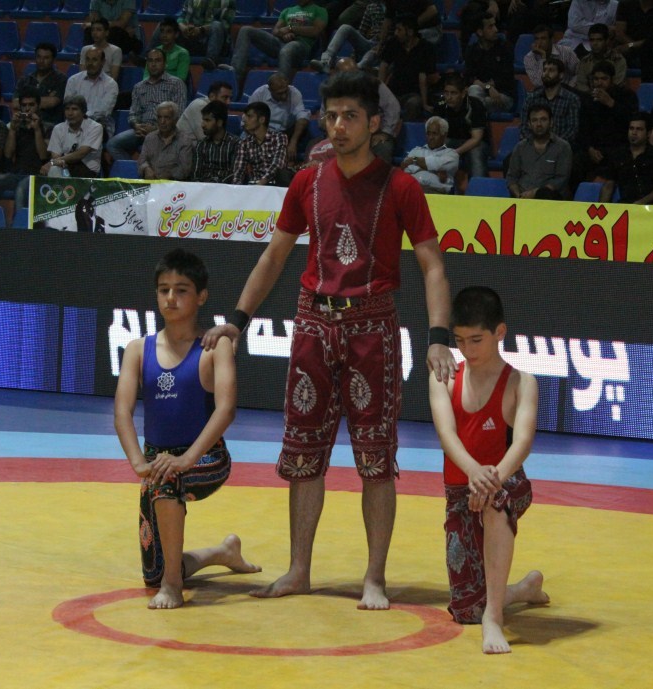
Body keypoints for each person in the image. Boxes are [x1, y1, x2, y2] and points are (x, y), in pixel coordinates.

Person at [201, 70, 455, 610]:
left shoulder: (401, 187)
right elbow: (275, 256)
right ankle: (299, 570)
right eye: (331, 116)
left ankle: (375, 577)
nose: (338, 126)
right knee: (302, 453)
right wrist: (237, 321)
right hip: (313, 324)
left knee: (376, 458)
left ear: (375, 123)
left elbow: (433, 265)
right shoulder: (306, 183)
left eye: (350, 117)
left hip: (372, 327)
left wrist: (438, 337)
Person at [114, 248, 261, 610]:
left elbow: (226, 410)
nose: (170, 298)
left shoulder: (214, 347)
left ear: (201, 297)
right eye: (163, 290)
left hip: (207, 458)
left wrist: (187, 459)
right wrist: (138, 462)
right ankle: (221, 553)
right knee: (153, 572)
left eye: (181, 290)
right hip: (157, 462)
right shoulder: (138, 349)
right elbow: (122, 411)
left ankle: (173, 586)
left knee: (168, 479)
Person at [428, 286, 549, 654]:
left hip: (507, 481)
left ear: (500, 332)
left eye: (476, 340)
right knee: (466, 609)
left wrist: (490, 479)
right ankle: (520, 590)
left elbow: (522, 442)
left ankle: (493, 618)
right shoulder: (444, 378)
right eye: (459, 341)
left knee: (497, 502)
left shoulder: (521, 383)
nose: (467, 350)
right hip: (462, 491)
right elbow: (447, 435)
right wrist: (473, 473)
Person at [106, 49, 187, 162]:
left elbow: (179, 114)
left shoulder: (176, 84)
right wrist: (136, 125)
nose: (153, 64)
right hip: (142, 130)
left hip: (165, 131)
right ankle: (134, 170)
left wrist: (157, 128)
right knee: (112, 144)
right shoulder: (139, 87)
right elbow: (133, 113)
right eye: (150, 61)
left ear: (165, 64)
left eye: (157, 61)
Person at [0, 91, 49, 209]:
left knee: (21, 190)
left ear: (38, 106)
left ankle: (21, 221)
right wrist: (13, 130)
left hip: (38, 175)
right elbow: (8, 154)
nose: (27, 108)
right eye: (24, 105)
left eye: (31, 105)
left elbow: (43, 156)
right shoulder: (15, 127)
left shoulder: (48, 127)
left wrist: (37, 130)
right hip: (17, 174)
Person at [225, 0, 328, 84]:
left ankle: (281, 86)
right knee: (246, 30)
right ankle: (234, 75)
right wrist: (283, 35)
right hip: (281, 43)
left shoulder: (320, 11)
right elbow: (275, 31)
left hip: (301, 46)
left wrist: (291, 28)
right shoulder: (287, 10)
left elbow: (315, 31)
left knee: (286, 50)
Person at [327, 57, 400, 164]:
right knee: (315, 145)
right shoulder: (331, 90)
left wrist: (385, 132)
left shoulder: (373, 84)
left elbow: (393, 107)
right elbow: (323, 117)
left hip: (372, 134)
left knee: (383, 147)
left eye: (354, 73)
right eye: (346, 75)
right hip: (341, 133)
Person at [601, 111, 653, 204]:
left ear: (648, 133)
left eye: (639, 129)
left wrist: (640, 203)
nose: (634, 133)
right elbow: (608, 186)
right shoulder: (618, 155)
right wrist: (601, 209)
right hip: (627, 205)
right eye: (631, 128)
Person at [507, 103, 573, 200]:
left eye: (543, 119)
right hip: (522, 199)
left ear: (551, 122)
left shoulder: (563, 147)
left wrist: (536, 193)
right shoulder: (520, 147)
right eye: (534, 120)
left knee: (546, 195)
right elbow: (512, 177)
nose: (539, 124)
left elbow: (561, 179)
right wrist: (519, 196)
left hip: (551, 199)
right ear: (529, 124)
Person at [377, 13, 436, 121]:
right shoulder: (393, 43)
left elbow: (422, 77)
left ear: (410, 32)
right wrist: (380, 90)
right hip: (393, 91)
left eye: (399, 30)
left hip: (413, 93)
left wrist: (424, 103)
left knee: (414, 104)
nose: (396, 33)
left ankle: (406, 129)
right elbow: (384, 66)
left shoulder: (426, 48)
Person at [434, 73, 490, 180]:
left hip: (475, 143)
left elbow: (476, 138)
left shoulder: (475, 105)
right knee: (436, 148)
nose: (449, 97)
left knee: (476, 152)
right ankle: (437, 185)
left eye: (453, 93)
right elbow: (436, 133)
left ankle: (478, 187)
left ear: (463, 93)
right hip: (452, 141)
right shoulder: (440, 105)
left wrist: (454, 152)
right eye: (446, 92)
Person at [248, 73, 311, 166]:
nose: (284, 96)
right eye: (279, 93)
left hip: (286, 133)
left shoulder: (294, 93)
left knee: (304, 125)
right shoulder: (259, 94)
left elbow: (302, 116)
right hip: (263, 132)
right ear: (270, 90)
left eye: (285, 91)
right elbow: (248, 122)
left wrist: (293, 142)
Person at [463, 12, 517, 116]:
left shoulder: (505, 48)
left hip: (503, 95)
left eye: (495, 25)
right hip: (482, 92)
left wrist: (483, 84)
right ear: (480, 32)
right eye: (490, 27)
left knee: (476, 103)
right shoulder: (472, 50)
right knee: (473, 90)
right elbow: (468, 78)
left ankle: (471, 119)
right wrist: (488, 87)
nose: (496, 30)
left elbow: (506, 79)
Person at [310, 0, 386, 73]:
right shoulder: (372, 7)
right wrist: (354, 54)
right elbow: (362, 31)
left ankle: (356, 69)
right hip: (371, 43)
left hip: (385, 48)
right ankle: (326, 62)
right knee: (345, 27)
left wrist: (381, 45)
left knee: (370, 54)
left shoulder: (392, 11)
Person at [520, 57, 581, 146]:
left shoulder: (571, 99)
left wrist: (552, 146)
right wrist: (536, 144)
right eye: (544, 70)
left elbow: (572, 130)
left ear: (561, 75)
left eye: (551, 70)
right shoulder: (532, 98)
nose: (546, 74)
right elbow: (524, 126)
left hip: (560, 148)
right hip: (533, 146)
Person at [42, 94, 105, 178]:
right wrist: (56, 162)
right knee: (54, 169)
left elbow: (81, 153)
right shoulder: (58, 128)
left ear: (83, 111)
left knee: (54, 167)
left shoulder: (95, 127)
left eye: (74, 109)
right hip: (65, 168)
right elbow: (55, 155)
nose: (70, 113)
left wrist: (53, 162)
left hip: (88, 173)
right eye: (67, 109)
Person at [229, 101, 291, 186]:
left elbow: (278, 164)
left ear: (262, 119)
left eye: (249, 116)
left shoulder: (279, 138)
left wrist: (261, 183)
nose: (245, 120)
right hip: (253, 186)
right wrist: (236, 188)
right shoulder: (244, 143)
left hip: (274, 186)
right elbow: (238, 171)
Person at [64, 47, 119, 138]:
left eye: (94, 60)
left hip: (99, 126)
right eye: (88, 59)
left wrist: (79, 116)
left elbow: (102, 113)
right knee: (56, 131)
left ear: (103, 62)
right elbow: (67, 105)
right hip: (73, 123)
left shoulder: (111, 84)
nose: (90, 63)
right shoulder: (73, 80)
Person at [401, 115, 459, 194]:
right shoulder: (416, 151)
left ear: (444, 135)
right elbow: (405, 168)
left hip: (435, 192)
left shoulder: (451, 154)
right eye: (428, 134)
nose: (431, 137)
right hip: (413, 189)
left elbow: (435, 164)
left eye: (435, 134)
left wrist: (414, 160)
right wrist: (434, 171)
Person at [138, 101, 195, 180]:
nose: (162, 122)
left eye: (167, 118)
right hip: (150, 183)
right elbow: (142, 160)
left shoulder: (185, 141)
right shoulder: (149, 138)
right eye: (159, 117)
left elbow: (185, 169)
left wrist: (167, 175)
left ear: (175, 120)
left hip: (173, 185)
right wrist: (146, 168)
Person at [15, 43, 68, 127]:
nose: (41, 61)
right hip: (26, 122)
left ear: (53, 59)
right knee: (10, 126)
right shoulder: (25, 80)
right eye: (39, 57)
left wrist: (26, 102)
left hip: (50, 124)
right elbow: (15, 103)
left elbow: (53, 102)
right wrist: (44, 100)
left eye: (46, 58)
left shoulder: (61, 79)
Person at [172, 0, 235, 70]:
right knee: (170, 26)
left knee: (216, 25)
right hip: (195, 39)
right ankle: (165, 56)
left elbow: (225, 26)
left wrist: (201, 29)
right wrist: (183, 27)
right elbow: (182, 17)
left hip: (218, 44)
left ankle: (211, 60)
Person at [613, 0, 653, 83]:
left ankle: (650, 87)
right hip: (627, 48)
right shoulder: (625, 4)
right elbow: (619, 34)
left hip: (650, 49)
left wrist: (632, 45)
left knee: (650, 56)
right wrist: (632, 46)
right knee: (614, 54)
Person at [192, 99, 239, 183]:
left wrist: (215, 185)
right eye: (203, 120)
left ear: (219, 122)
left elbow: (235, 174)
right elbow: (196, 175)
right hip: (203, 188)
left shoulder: (235, 144)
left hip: (225, 188)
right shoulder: (201, 144)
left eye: (207, 120)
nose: (202, 125)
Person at [573, 22, 627, 93]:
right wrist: (592, 95)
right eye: (592, 40)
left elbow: (617, 84)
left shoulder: (618, 60)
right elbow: (581, 85)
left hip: (612, 96)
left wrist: (601, 95)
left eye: (599, 40)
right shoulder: (585, 61)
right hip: (589, 97)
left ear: (607, 41)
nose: (595, 43)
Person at [522, 24, 579, 89]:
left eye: (543, 38)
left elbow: (578, 72)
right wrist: (543, 57)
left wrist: (569, 87)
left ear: (552, 40)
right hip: (545, 92)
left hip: (566, 90)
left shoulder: (566, 51)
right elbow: (539, 83)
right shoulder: (529, 58)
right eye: (537, 39)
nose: (539, 42)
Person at [150, 17, 192, 83]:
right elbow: (146, 77)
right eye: (162, 31)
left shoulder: (182, 54)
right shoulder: (153, 53)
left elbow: (180, 81)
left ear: (176, 34)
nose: (164, 35)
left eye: (169, 32)